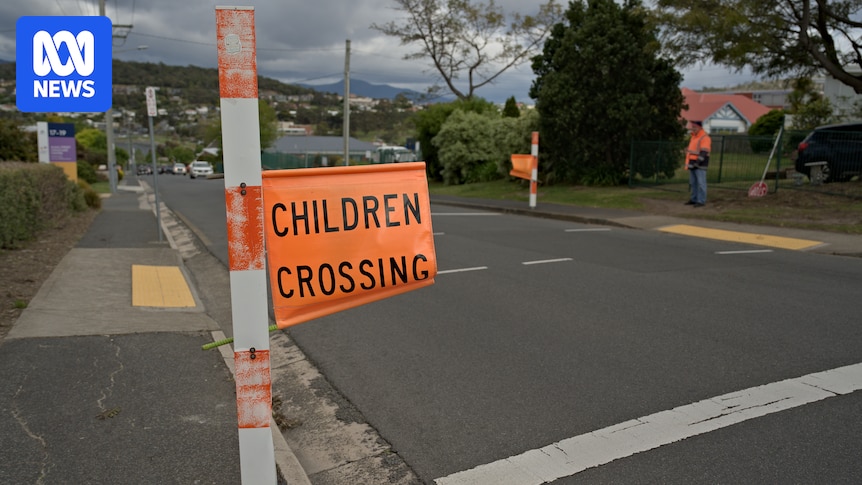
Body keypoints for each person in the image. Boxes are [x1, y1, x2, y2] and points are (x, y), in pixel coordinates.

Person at [685, 120, 711, 207]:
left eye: (694, 127)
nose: (693, 129)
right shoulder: (693, 137)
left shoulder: (705, 138)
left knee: (701, 183)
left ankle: (701, 201)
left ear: (700, 127)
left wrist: (697, 162)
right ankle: (694, 199)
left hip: (700, 164)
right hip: (693, 163)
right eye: (692, 127)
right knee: (693, 183)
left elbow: (704, 152)